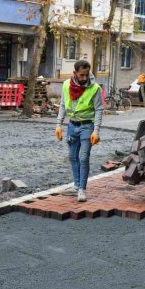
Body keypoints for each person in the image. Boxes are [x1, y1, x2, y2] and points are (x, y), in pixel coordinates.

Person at [55, 60, 103, 202]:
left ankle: (82, 189)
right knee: (72, 156)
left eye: (86, 75)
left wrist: (96, 131)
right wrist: (58, 125)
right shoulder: (66, 85)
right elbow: (63, 105)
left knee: (83, 157)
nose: (84, 78)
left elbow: (99, 109)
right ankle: (76, 186)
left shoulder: (94, 88)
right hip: (72, 126)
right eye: (81, 75)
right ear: (75, 73)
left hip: (87, 126)